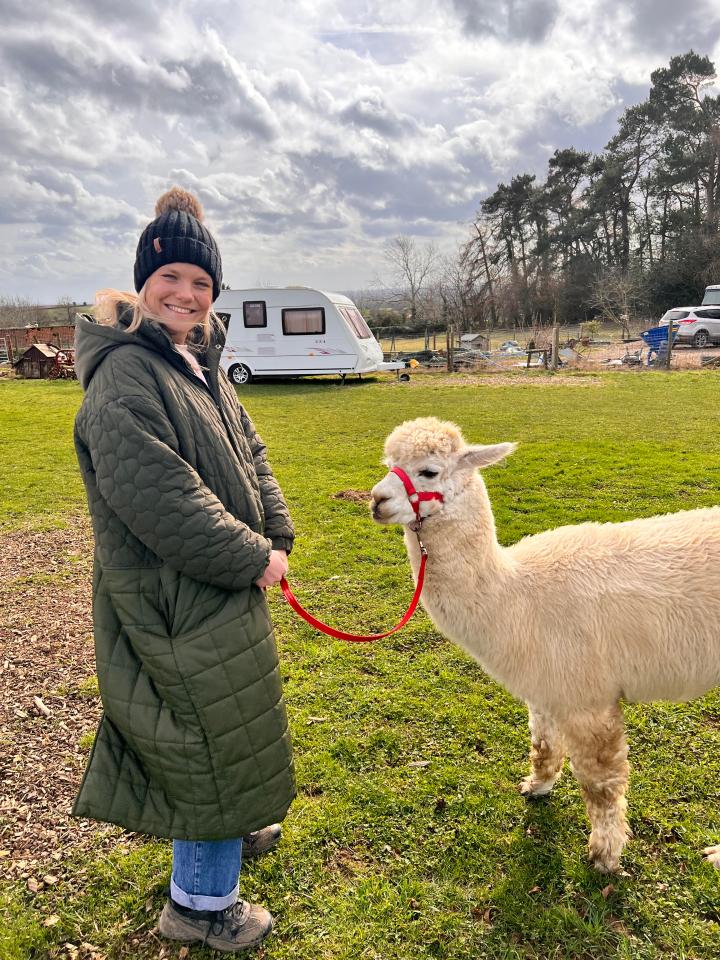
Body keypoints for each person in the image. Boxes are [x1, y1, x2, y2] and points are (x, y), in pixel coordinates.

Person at [72, 187, 295, 953]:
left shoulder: (195, 359)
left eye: (201, 283)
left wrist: (279, 530)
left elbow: (248, 450)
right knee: (202, 741)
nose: (186, 294)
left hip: (215, 584)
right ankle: (200, 903)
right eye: (170, 278)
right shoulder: (125, 376)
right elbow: (162, 499)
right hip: (171, 595)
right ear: (142, 282)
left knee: (228, 722)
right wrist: (251, 554)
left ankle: (228, 828)